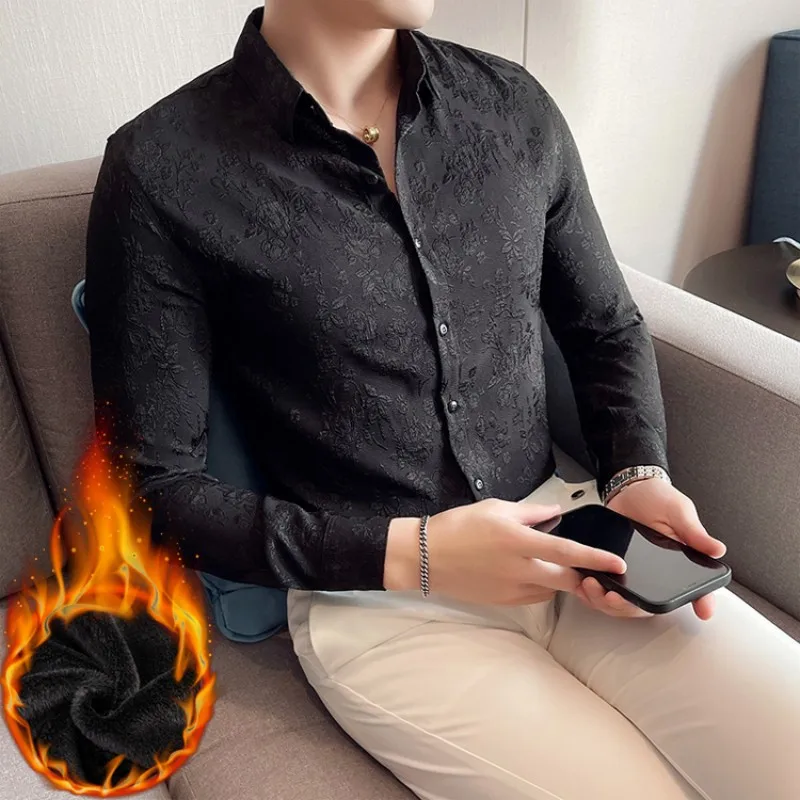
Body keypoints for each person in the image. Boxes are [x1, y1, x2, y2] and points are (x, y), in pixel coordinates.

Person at [84, 2, 800, 798]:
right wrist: (417, 553)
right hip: (384, 611)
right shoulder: (162, 168)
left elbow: (605, 327)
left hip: (573, 539)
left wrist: (637, 474)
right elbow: (151, 491)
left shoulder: (511, 105)